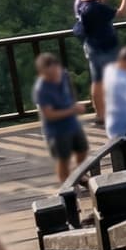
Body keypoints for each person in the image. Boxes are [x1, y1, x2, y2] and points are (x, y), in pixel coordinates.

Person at [73, 0, 126, 123]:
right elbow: (122, 13)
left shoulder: (79, 2)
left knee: (97, 81)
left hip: (91, 47)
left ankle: (100, 115)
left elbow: (95, 1)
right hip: (106, 48)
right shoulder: (97, 9)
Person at [32, 52, 89, 188]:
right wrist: (72, 110)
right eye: (49, 74)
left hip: (72, 123)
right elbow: (49, 115)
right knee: (63, 159)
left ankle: (80, 174)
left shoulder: (64, 75)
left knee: (82, 149)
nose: (53, 76)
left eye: (55, 72)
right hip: (56, 130)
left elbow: (70, 92)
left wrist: (73, 104)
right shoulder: (41, 89)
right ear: (42, 73)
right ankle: (66, 186)